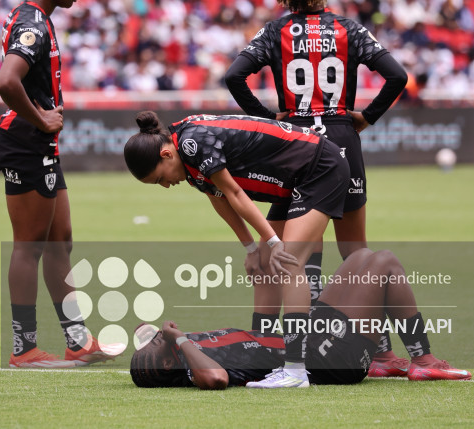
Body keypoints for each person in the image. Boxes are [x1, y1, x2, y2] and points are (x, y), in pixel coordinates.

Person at [224, 0, 410, 376]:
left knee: (300, 251)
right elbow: (396, 75)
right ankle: (378, 353)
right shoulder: (348, 28)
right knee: (356, 253)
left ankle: (293, 347)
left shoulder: (275, 31)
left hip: (294, 144)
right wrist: (366, 117)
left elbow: (235, 76)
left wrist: (268, 119)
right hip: (343, 137)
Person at [124, 111, 351, 387]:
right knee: (266, 262)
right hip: (294, 178)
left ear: (166, 155)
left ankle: (295, 371)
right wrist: (253, 248)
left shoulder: (191, 143)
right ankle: (264, 355)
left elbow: (234, 193)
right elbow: (219, 198)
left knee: (288, 262)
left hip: (319, 167)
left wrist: (274, 243)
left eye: (160, 179)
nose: (166, 186)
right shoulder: (185, 156)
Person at [0, 0, 123, 368]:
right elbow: (7, 81)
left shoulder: (37, 19)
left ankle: (78, 339)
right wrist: (41, 118)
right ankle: (24, 349)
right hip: (27, 143)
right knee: (28, 246)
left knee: (60, 243)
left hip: (41, 146)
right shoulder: (32, 22)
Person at [129, 247, 471, 389]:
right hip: (330, 359)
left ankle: (382, 358)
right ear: (168, 362)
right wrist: (178, 338)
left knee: (363, 257)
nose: (161, 335)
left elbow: (252, 341)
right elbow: (215, 379)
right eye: (158, 344)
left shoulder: (185, 352)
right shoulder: (192, 364)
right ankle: (423, 360)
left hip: (314, 338)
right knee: (384, 265)